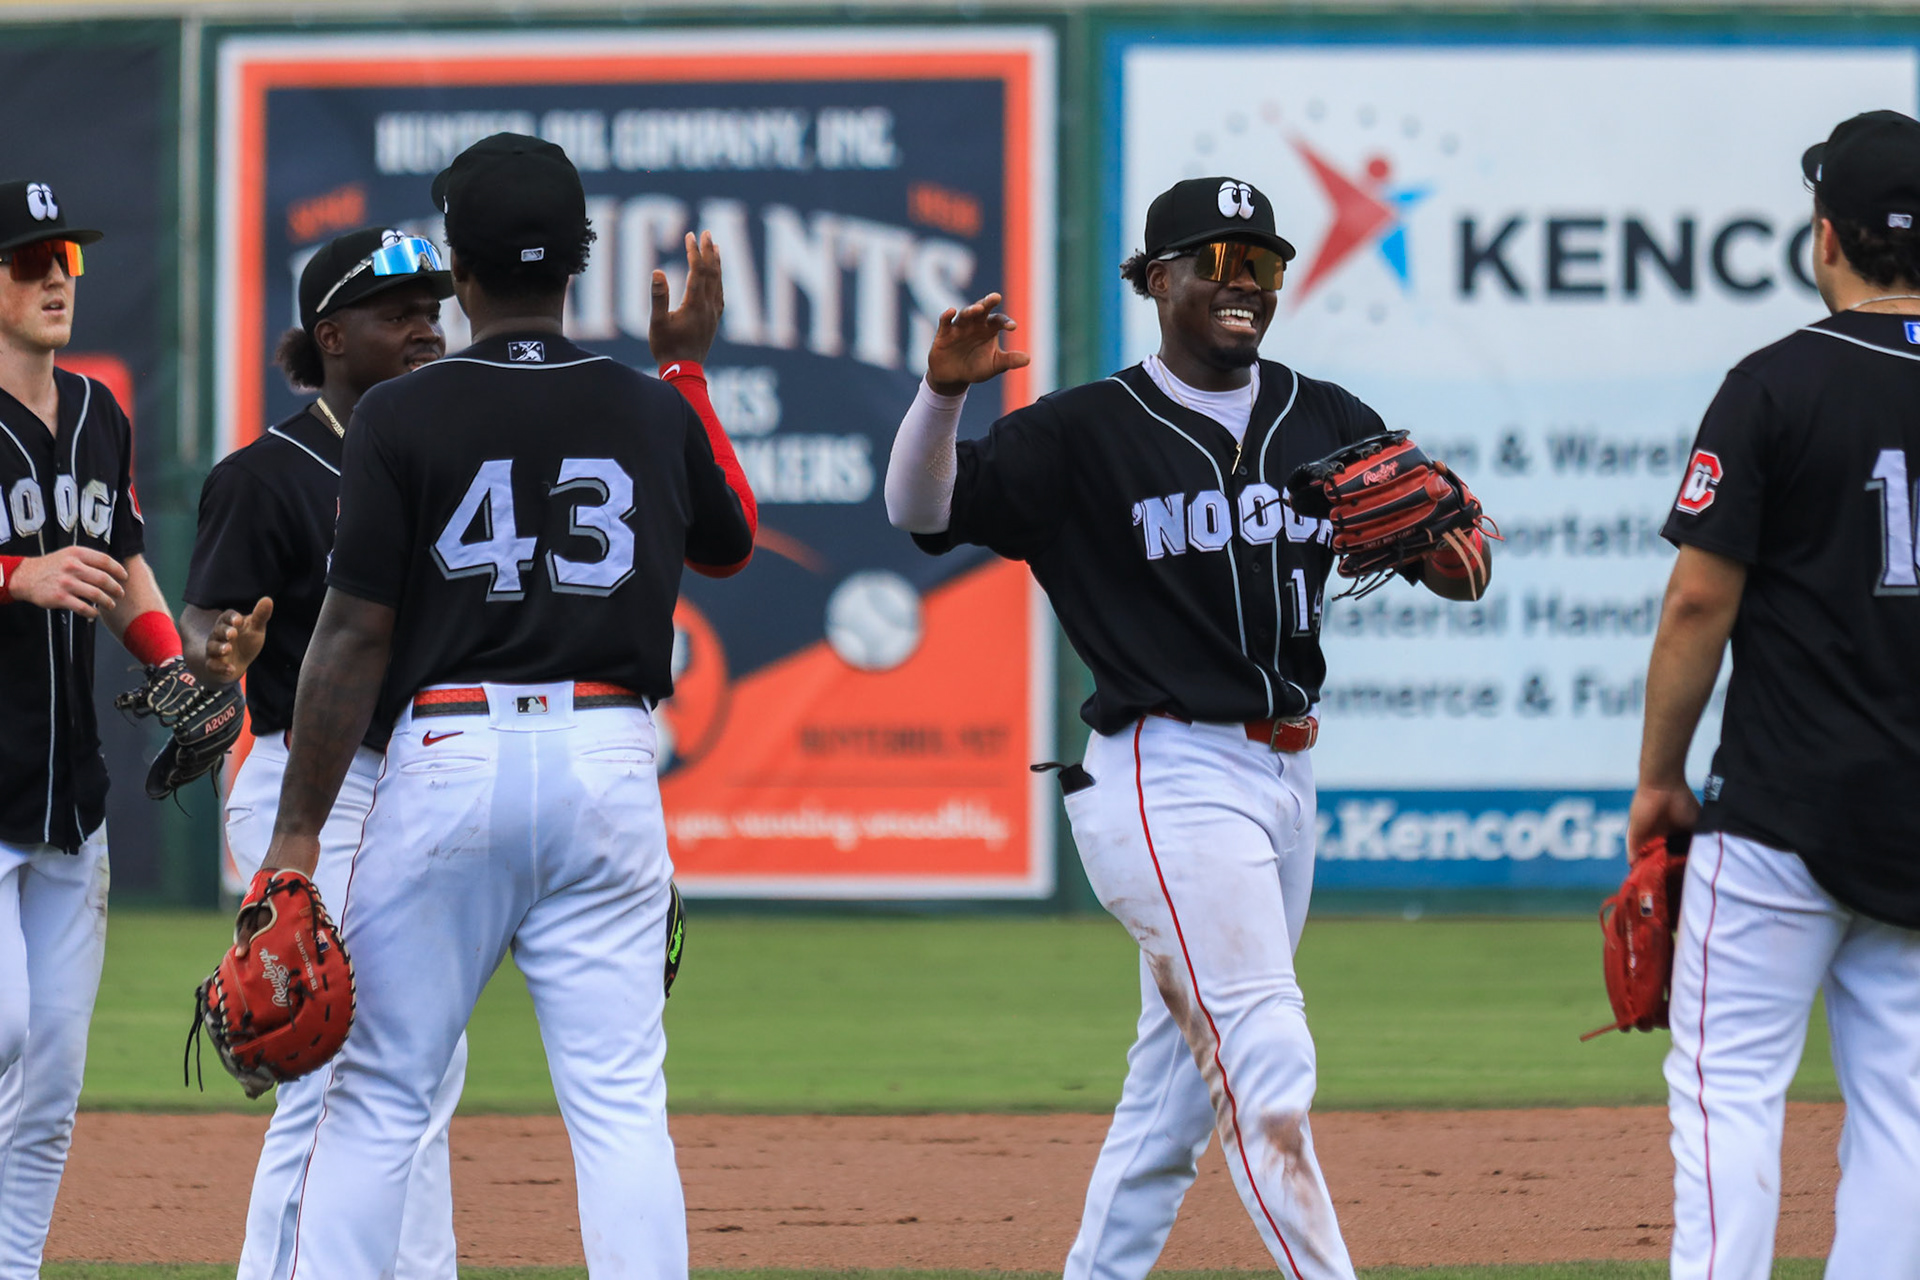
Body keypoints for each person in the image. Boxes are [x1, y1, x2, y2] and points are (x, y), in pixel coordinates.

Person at [885, 176, 1489, 1280]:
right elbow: (922, 513)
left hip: (1284, 778)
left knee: (1169, 1102)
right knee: (1266, 1053)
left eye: (1259, 263)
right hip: (1163, 772)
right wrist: (941, 398)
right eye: (1214, 263)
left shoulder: (1330, 415)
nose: (1240, 284)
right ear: (1156, 281)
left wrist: (1452, 546)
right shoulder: (1084, 431)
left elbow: (1462, 566)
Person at [247, 133, 755, 1279]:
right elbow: (730, 540)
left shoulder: (401, 415)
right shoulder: (645, 406)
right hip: (609, 759)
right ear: (579, 262)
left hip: (452, 753)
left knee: (377, 1094)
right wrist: (683, 371)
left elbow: (354, 631)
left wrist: (295, 835)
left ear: (458, 270)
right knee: (621, 1104)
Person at [1629, 109, 1920, 1280]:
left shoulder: (1778, 382)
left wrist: (1658, 778)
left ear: (1827, 235)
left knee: (1726, 1088)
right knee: (1905, 1110)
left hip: (1782, 818)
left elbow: (1700, 601)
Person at [180, 226, 463, 1280]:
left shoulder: (442, 453)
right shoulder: (269, 472)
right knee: (326, 1050)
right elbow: (205, 630)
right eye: (399, 311)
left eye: (434, 305)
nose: (426, 324)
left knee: (424, 1063)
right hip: (311, 786)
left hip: (423, 775)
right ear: (331, 335)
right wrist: (221, 650)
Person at [0, 179, 191, 1276]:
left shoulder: (102, 415)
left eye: (65, 255)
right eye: (29, 259)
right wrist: (13, 575)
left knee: (55, 1073)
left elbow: (120, 567)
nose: (56, 277)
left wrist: (175, 676)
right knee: (8, 1032)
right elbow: (39, 570)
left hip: (70, 791)